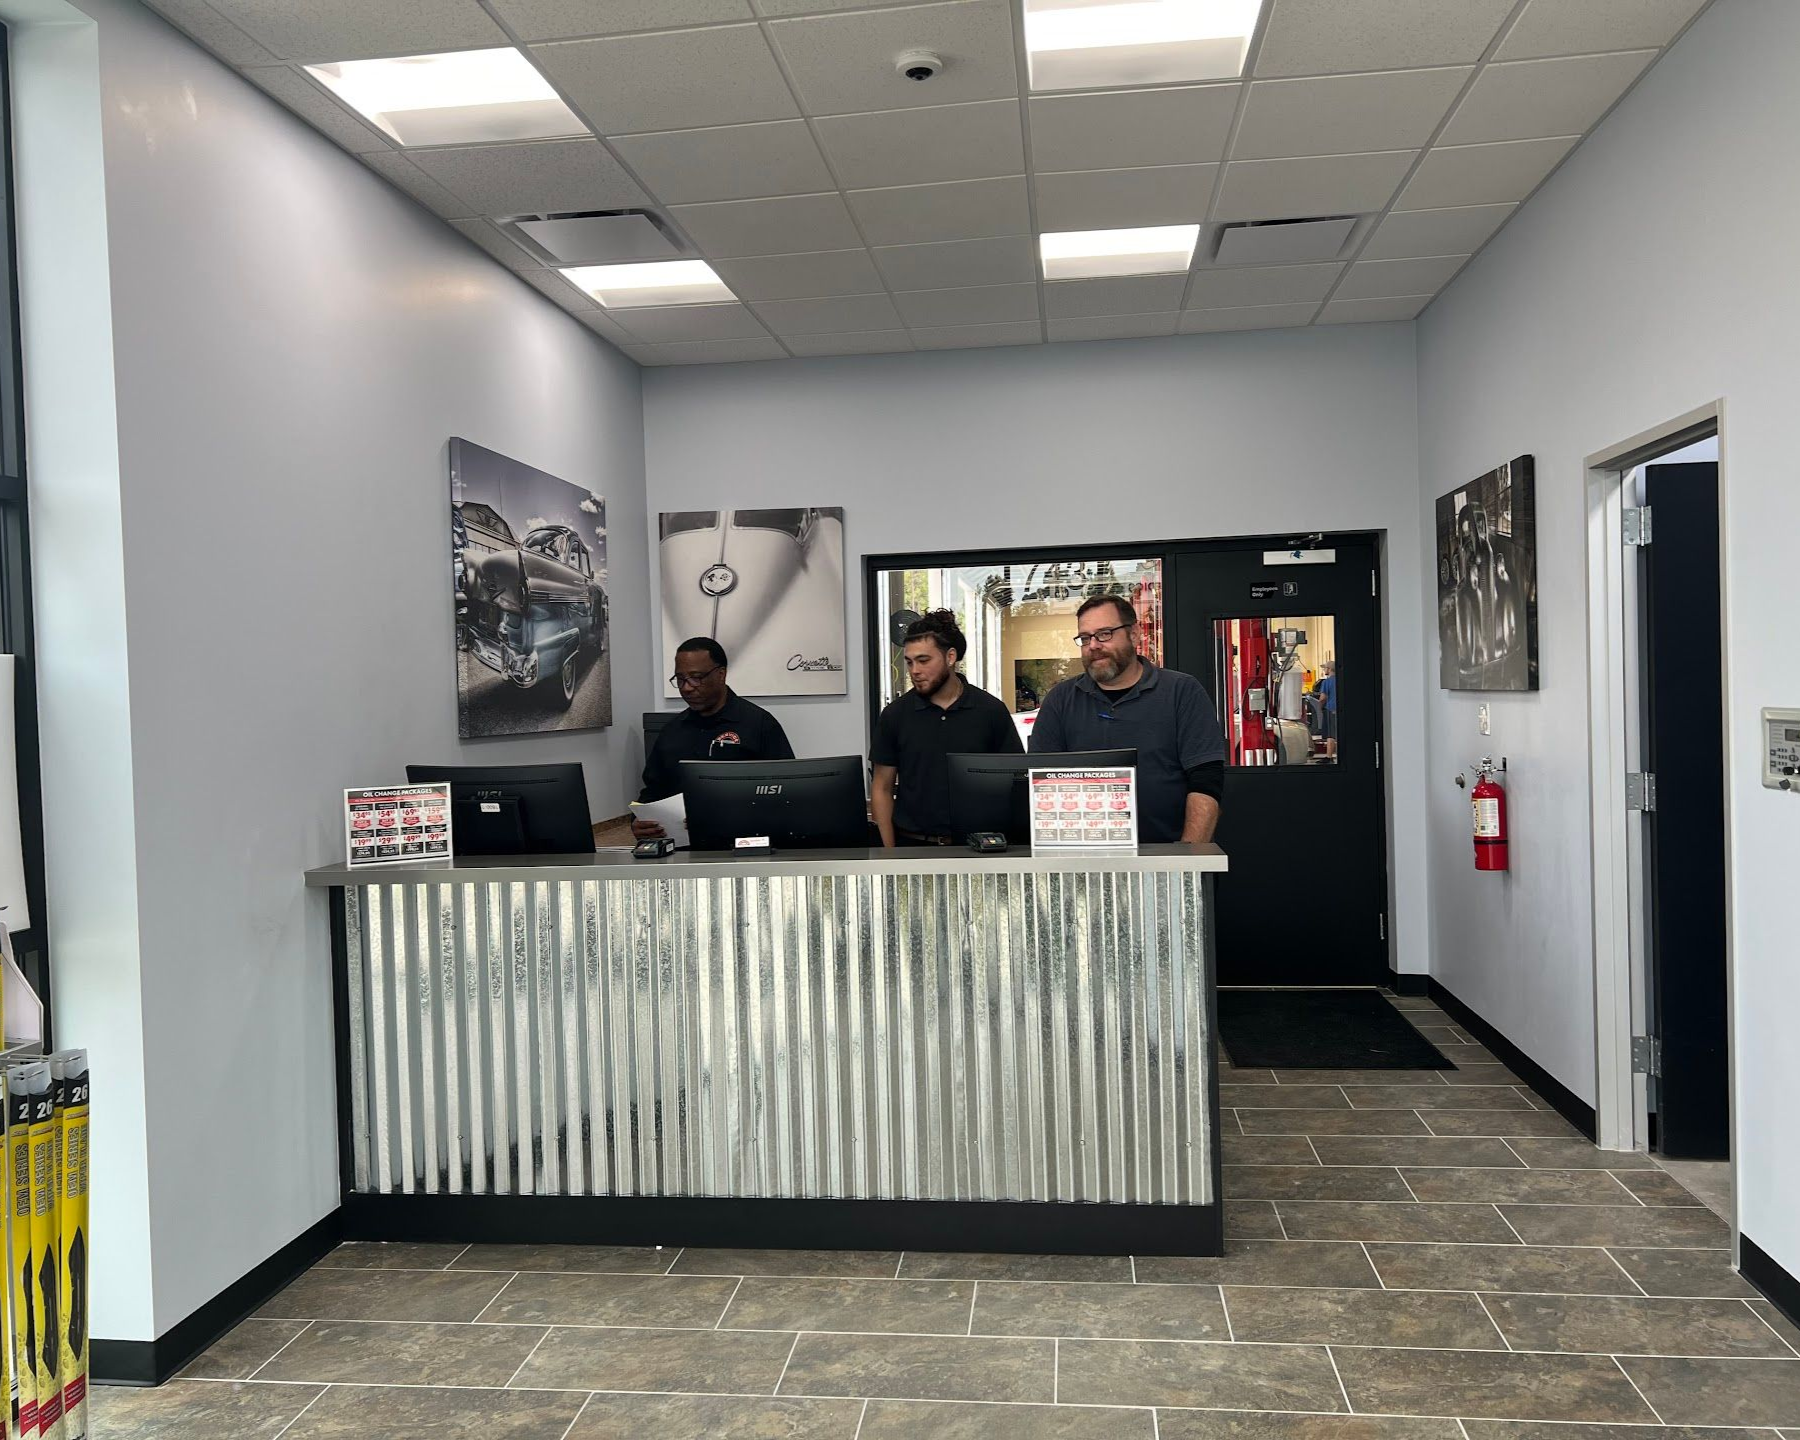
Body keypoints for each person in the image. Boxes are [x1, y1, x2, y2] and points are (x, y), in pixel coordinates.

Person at [1028, 594, 1226, 844]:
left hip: (1167, 853)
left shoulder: (1181, 691)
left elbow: (1206, 780)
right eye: (1085, 638)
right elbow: (1041, 781)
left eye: (1104, 634)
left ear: (1134, 634)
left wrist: (1187, 857)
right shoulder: (1060, 699)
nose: (1093, 645)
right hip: (1081, 854)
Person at [871, 609, 1022, 846]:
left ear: (950, 657)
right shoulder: (895, 715)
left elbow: (1015, 783)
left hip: (979, 847)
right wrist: (889, 855)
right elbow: (881, 788)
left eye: (923, 660)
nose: (914, 671)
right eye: (909, 662)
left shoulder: (990, 711)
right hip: (913, 846)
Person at [632, 637, 793, 838]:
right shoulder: (671, 732)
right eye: (680, 679)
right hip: (683, 846)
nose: (686, 687)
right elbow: (653, 792)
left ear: (721, 674)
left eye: (696, 677)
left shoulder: (759, 724)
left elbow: (788, 792)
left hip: (744, 844)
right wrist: (638, 821)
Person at [1318, 660, 1338, 759]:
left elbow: (1323, 698)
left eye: (1325, 668)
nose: (1324, 670)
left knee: (1331, 735)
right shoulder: (1340, 680)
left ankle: (1329, 757)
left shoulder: (1326, 682)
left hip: (1331, 709)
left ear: (1329, 669)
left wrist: (1319, 707)